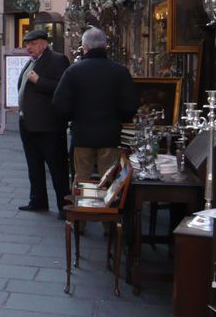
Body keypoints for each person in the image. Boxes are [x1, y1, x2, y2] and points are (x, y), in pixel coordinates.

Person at [53, 27, 139, 181]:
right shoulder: (120, 72)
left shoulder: (73, 71)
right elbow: (130, 105)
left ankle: (82, 204)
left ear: (84, 47)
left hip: (82, 133)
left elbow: (60, 103)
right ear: (105, 46)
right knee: (108, 179)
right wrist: (119, 118)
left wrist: (73, 117)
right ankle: (106, 204)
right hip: (110, 134)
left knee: (82, 178)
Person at [16, 29, 71, 219]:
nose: (28, 47)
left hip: (49, 126)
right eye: (27, 44)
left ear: (44, 43)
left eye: (33, 43)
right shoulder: (33, 61)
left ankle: (65, 206)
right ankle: (38, 200)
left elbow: (63, 88)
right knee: (34, 165)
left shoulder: (58, 60)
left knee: (57, 167)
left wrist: (39, 81)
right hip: (28, 123)